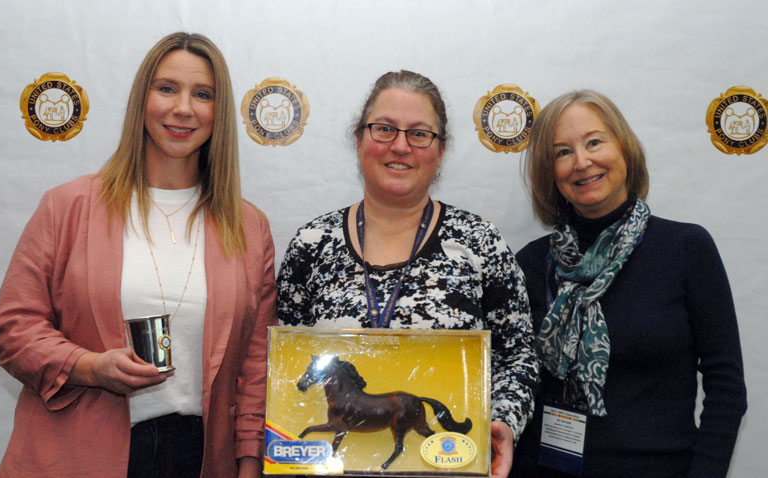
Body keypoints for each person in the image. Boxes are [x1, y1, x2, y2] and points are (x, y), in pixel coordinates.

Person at [0, 32, 276, 478]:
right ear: (142, 99)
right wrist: (89, 366)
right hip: (78, 454)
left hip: (201, 458)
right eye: (166, 89)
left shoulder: (248, 226)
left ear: (219, 113)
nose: (184, 108)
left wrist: (250, 461)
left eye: (203, 94)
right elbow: (13, 327)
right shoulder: (68, 207)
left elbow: (256, 364)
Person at [276, 70, 538, 478]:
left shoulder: (479, 243)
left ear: (441, 149)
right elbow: (284, 360)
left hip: (448, 465)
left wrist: (503, 420)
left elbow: (518, 356)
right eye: (384, 129)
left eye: (419, 134)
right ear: (359, 139)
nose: (400, 146)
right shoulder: (312, 244)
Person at [510, 90, 747, 478]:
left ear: (624, 148)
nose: (582, 162)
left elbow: (727, 388)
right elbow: (512, 381)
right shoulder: (531, 264)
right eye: (562, 152)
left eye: (594, 142)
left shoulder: (686, 249)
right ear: (548, 172)